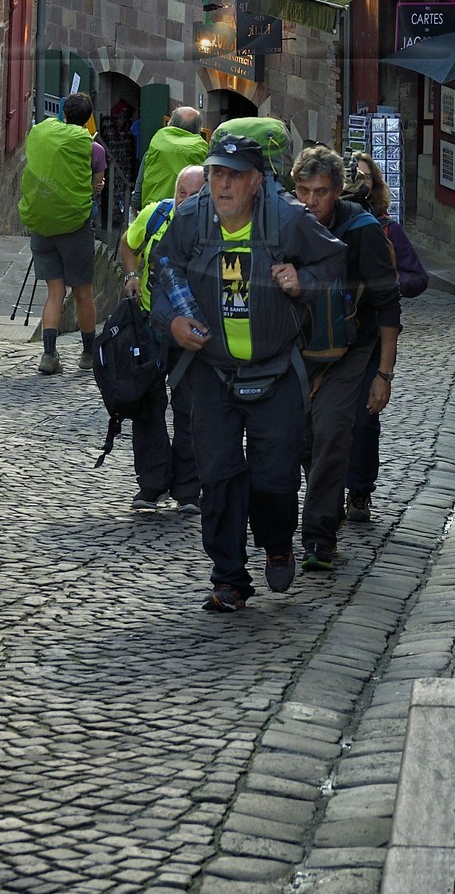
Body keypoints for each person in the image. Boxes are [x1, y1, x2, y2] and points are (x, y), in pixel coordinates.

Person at [150, 131, 345, 613]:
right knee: (217, 475)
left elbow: (336, 263)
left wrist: (303, 281)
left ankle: (278, 543)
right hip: (211, 372)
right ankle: (229, 577)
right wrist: (172, 321)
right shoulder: (191, 218)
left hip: (276, 371)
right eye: (217, 172)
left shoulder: (288, 219)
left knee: (275, 477)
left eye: (234, 176)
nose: (222, 185)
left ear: (256, 181)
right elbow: (162, 267)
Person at [289, 145, 402, 572]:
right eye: (302, 191)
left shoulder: (363, 231)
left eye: (319, 192)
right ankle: (328, 506)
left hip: (356, 346)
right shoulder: (289, 225)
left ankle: (318, 538)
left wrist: (384, 375)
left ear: (337, 191)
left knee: (334, 428)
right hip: (302, 345)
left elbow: (389, 305)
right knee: (303, 436)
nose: (310, 202)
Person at [342, 152, 427, 527]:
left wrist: (387, 283)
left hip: (368, 336)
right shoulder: (316, 223)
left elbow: (417, 278)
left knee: (363, 420)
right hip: (322, 336)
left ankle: (359, 491)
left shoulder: (386, 230)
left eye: (364, 180)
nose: (356, 187)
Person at [120, 163, 205, 513]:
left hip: (192, 333)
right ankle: (152, 485)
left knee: (190, 409)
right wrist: (131, 273)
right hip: (150, 327)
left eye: (194, 195)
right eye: (181, 192)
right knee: (147, 406)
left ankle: (187, 490)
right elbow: (128, 244)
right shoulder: (157, 214)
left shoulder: (216, 225)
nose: (185, 201)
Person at [21, 92, 106, 376]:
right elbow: (96, 186)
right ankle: (87, 354)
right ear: (87, 119)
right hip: (74, 225)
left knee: (55, 292)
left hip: (41, 224)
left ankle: (48, 355)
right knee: (83, 291)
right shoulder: (93, 149)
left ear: (64, 114)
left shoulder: (42, 134)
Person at [137, 103, 208, 213]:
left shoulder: (157, 145)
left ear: (170, 123)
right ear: (197, 129)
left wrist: (136, 204)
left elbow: (141, 181)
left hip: (153, 212)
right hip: (187, 214)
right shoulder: (202, 151)